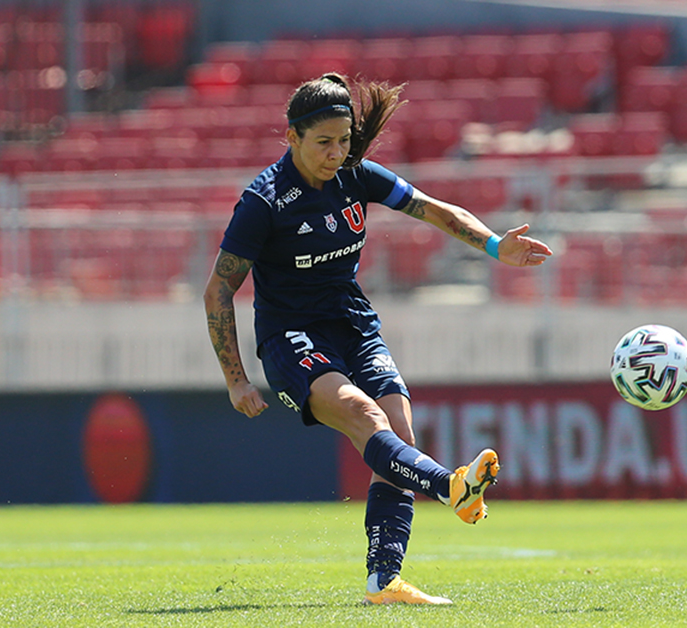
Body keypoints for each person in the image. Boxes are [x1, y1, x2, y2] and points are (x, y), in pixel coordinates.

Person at [203, 73, 553, 605]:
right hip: (291, 336)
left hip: (353, 323)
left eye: (344, 141)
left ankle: (383, 581)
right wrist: (236, 379)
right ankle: (451, 487)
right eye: (324, 142)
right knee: (366, 417)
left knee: (399, 435)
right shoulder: (264, 201)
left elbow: (434, 209)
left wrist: (492, 245)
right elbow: (218, 290)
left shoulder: (356, 175)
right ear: (292, 136)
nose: (336, 153)